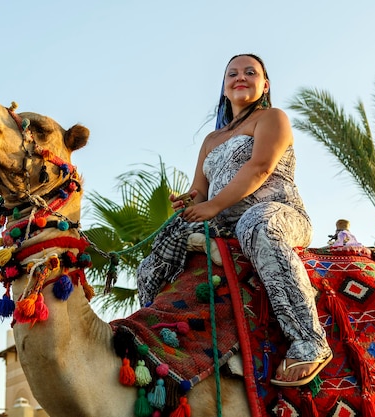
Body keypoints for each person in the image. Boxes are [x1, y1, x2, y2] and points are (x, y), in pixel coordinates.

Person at [136, 53, 332, 386]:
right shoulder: (211, 140)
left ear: (265, 85)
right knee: (154, 261)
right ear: (224, 88)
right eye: (232, 74)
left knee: (256, 223)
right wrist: (187, 202)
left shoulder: (272, 118)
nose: (240, 77)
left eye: (250, 72)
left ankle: (309, 341)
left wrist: (212, 206)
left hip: (277, 213)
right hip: (224, 223)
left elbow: (261, 168)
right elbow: (199, 191)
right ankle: (161, 347)